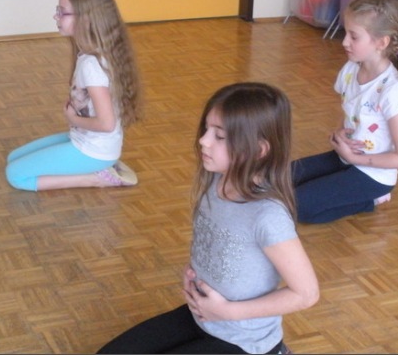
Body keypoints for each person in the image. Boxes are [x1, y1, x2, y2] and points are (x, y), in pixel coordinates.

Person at [96, 82, 319, 354]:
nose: (204, 140)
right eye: (206, 129)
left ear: (259, 150)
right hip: (202, 317)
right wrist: (195, 273)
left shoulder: (268, 216)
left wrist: (227, 312)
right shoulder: (216, 181)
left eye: (219, 136)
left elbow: (307, 294)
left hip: (242, 341)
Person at [291, 0, 398, 224]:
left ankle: (372, 200)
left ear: (381, 43)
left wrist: (354, 158)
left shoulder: (393, 91)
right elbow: (352, 111)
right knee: (281, 178)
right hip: (346, 158)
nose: (344, 42)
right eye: (346, 32)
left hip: (373, 175)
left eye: (354, 36)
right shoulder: (350, 69)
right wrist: (340, 131)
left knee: (298, 206)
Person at [6, 0, 142, 191]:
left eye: (62, 12)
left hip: (93, 151)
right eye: (57, 10)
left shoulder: (92, 65)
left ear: (86, 19)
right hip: (85, 140)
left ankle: (97, 178)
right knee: (13, 157)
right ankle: (99, 168)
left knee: (15, 175)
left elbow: (107, 124)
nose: (56, 16)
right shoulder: (91, 53)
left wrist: (73, 118)